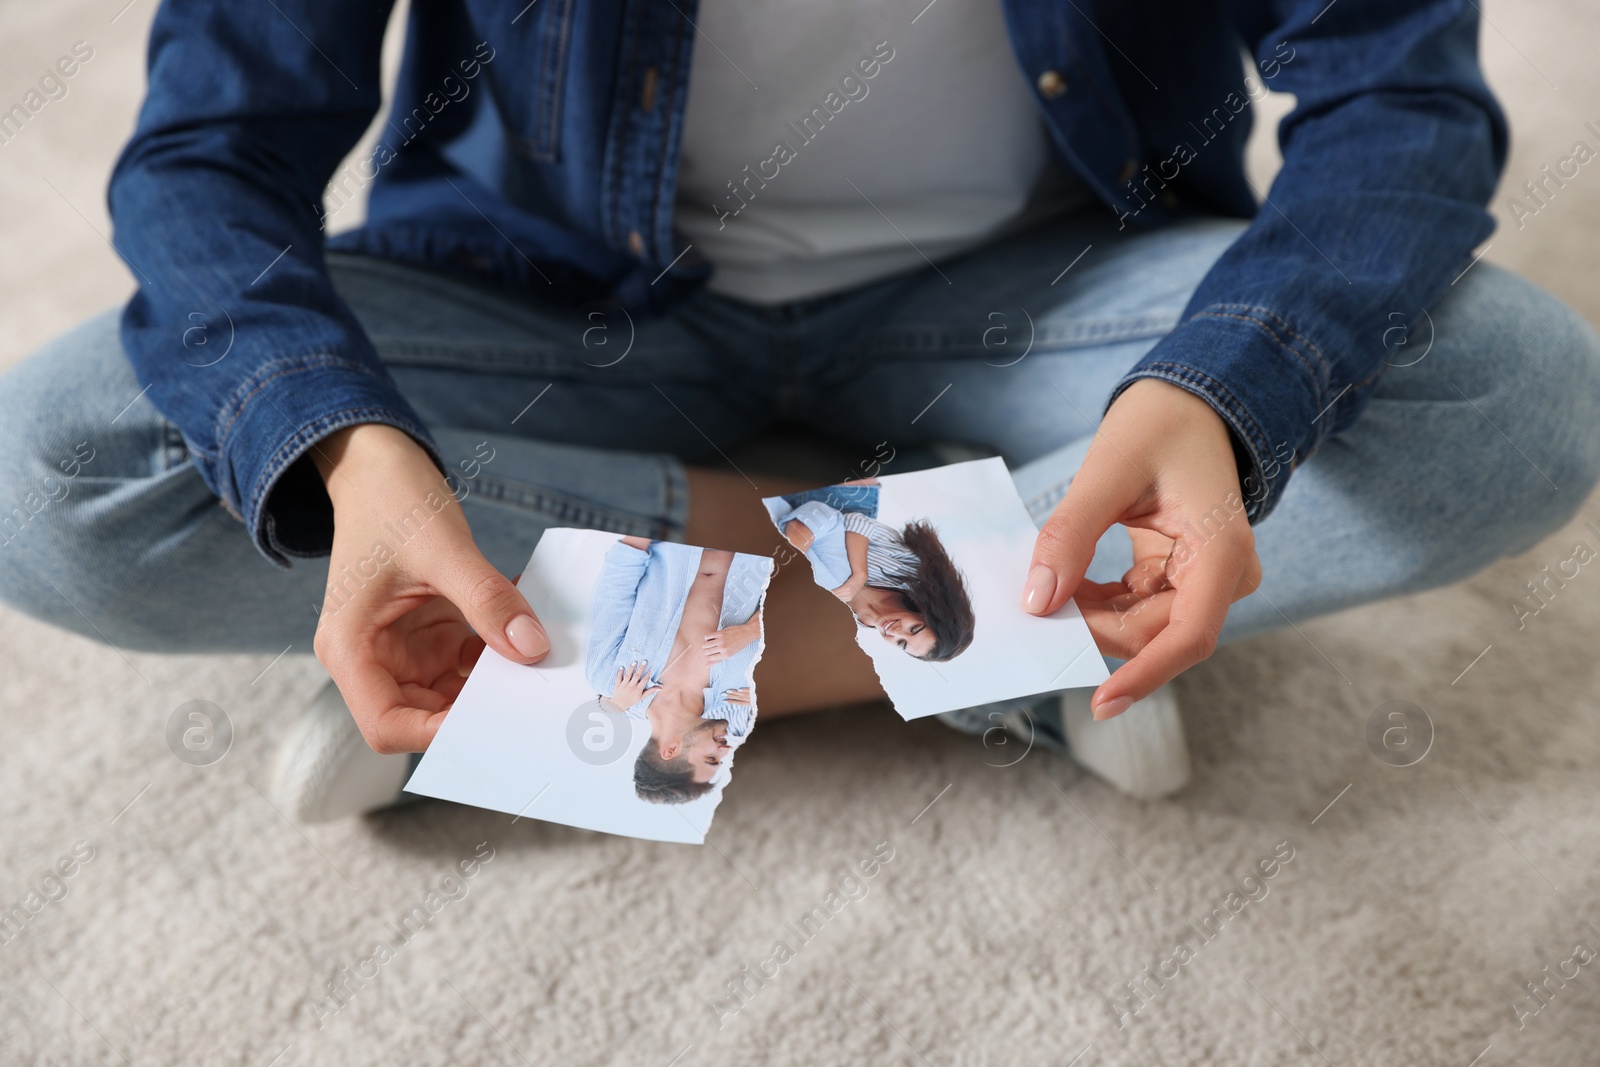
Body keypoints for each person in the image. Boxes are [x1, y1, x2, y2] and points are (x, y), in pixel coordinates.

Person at [1, 0, 1598, 819]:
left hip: (1036, 285)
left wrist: (1216, 392)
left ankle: (539, 669)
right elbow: (212, 157)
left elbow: (1398, 96)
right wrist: (354, 451)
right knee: (54, 468)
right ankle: (1015, 630)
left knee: (1511, 393)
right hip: (551, 295)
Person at [583, 536, 766, 803]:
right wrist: (752, 631)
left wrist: (646, 525)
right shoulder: (743, 713)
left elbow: (616, 587)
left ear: (671, 749)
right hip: (756, 541)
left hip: (684, 533)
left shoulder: (609, 678)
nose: (725, 751)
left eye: (711, 759)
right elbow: (800, 615)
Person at [767, 484, 976, 661]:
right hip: (842, 498)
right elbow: (857, 521)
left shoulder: (844, 623)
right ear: (926, 612)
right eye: (914, 628)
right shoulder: (910, 570)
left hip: (782, 521)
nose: (895, 632)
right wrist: (859, 574)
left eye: (902, 643)